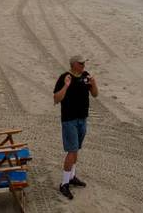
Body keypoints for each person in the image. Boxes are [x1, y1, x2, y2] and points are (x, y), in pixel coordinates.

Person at [53, 55, 98, 199]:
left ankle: (72, 177)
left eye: (84, 62)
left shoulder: (86, 76)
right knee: (72, 150)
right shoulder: (64, 77)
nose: (84, 65)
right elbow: (56, 99)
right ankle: (64, 184)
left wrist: (94, 83)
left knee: (76, 148)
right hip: (69, 120)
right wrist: (66, 85)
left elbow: (95, 95)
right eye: (81, 63)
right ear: (73, 64)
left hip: (82, 119)